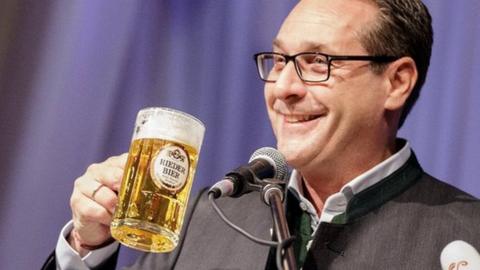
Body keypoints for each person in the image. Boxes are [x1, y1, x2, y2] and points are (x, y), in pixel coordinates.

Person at [42, 0, 480, 269]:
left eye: (316, 62)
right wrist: (87, 247)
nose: (283, 88)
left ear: (396, 81)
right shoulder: (207, 217)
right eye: (278, 60)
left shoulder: (467, 235)